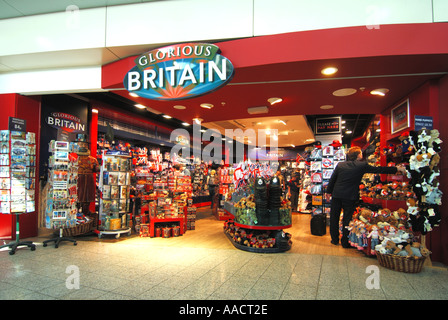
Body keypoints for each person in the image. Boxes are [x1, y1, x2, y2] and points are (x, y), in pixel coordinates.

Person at [326, 146, 406, 247]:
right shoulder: (361, 165)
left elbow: (333, 179)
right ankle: (345, 242)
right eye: (361, 153)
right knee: (347, 218)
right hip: (350, 195)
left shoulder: (341, 165)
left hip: (337, 194)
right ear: (358, 155)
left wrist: (328, 192)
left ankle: (334, 239)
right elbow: (379, 169)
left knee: (334, 217)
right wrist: (396, 169)